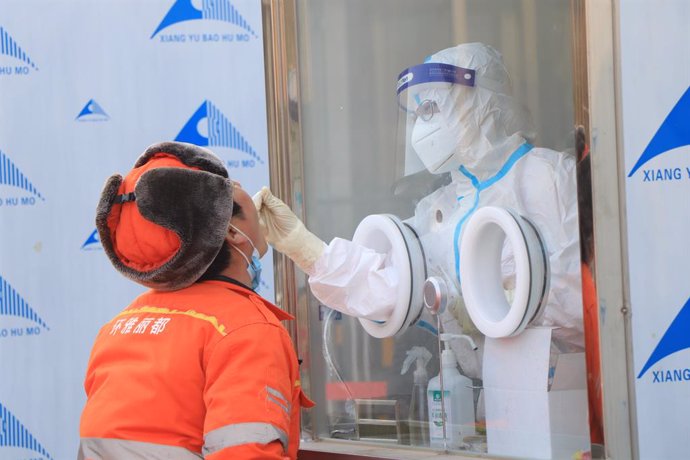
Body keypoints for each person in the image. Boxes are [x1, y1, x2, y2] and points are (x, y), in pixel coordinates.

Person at [255, 43, 583, 377]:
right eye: (418, 113)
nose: (422, 126)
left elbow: (581, 300)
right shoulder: (440, 209)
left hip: (562, 392)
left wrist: (500, 304)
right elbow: (388, 286)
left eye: (432, 107)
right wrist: (304, 246)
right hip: (486, 402)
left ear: (480, 103)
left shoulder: (546, 178)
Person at [78, 141, 313, 460]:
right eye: (232, 186)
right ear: (231, 232)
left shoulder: (119, 327)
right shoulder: (245, 332)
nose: (242, 186)